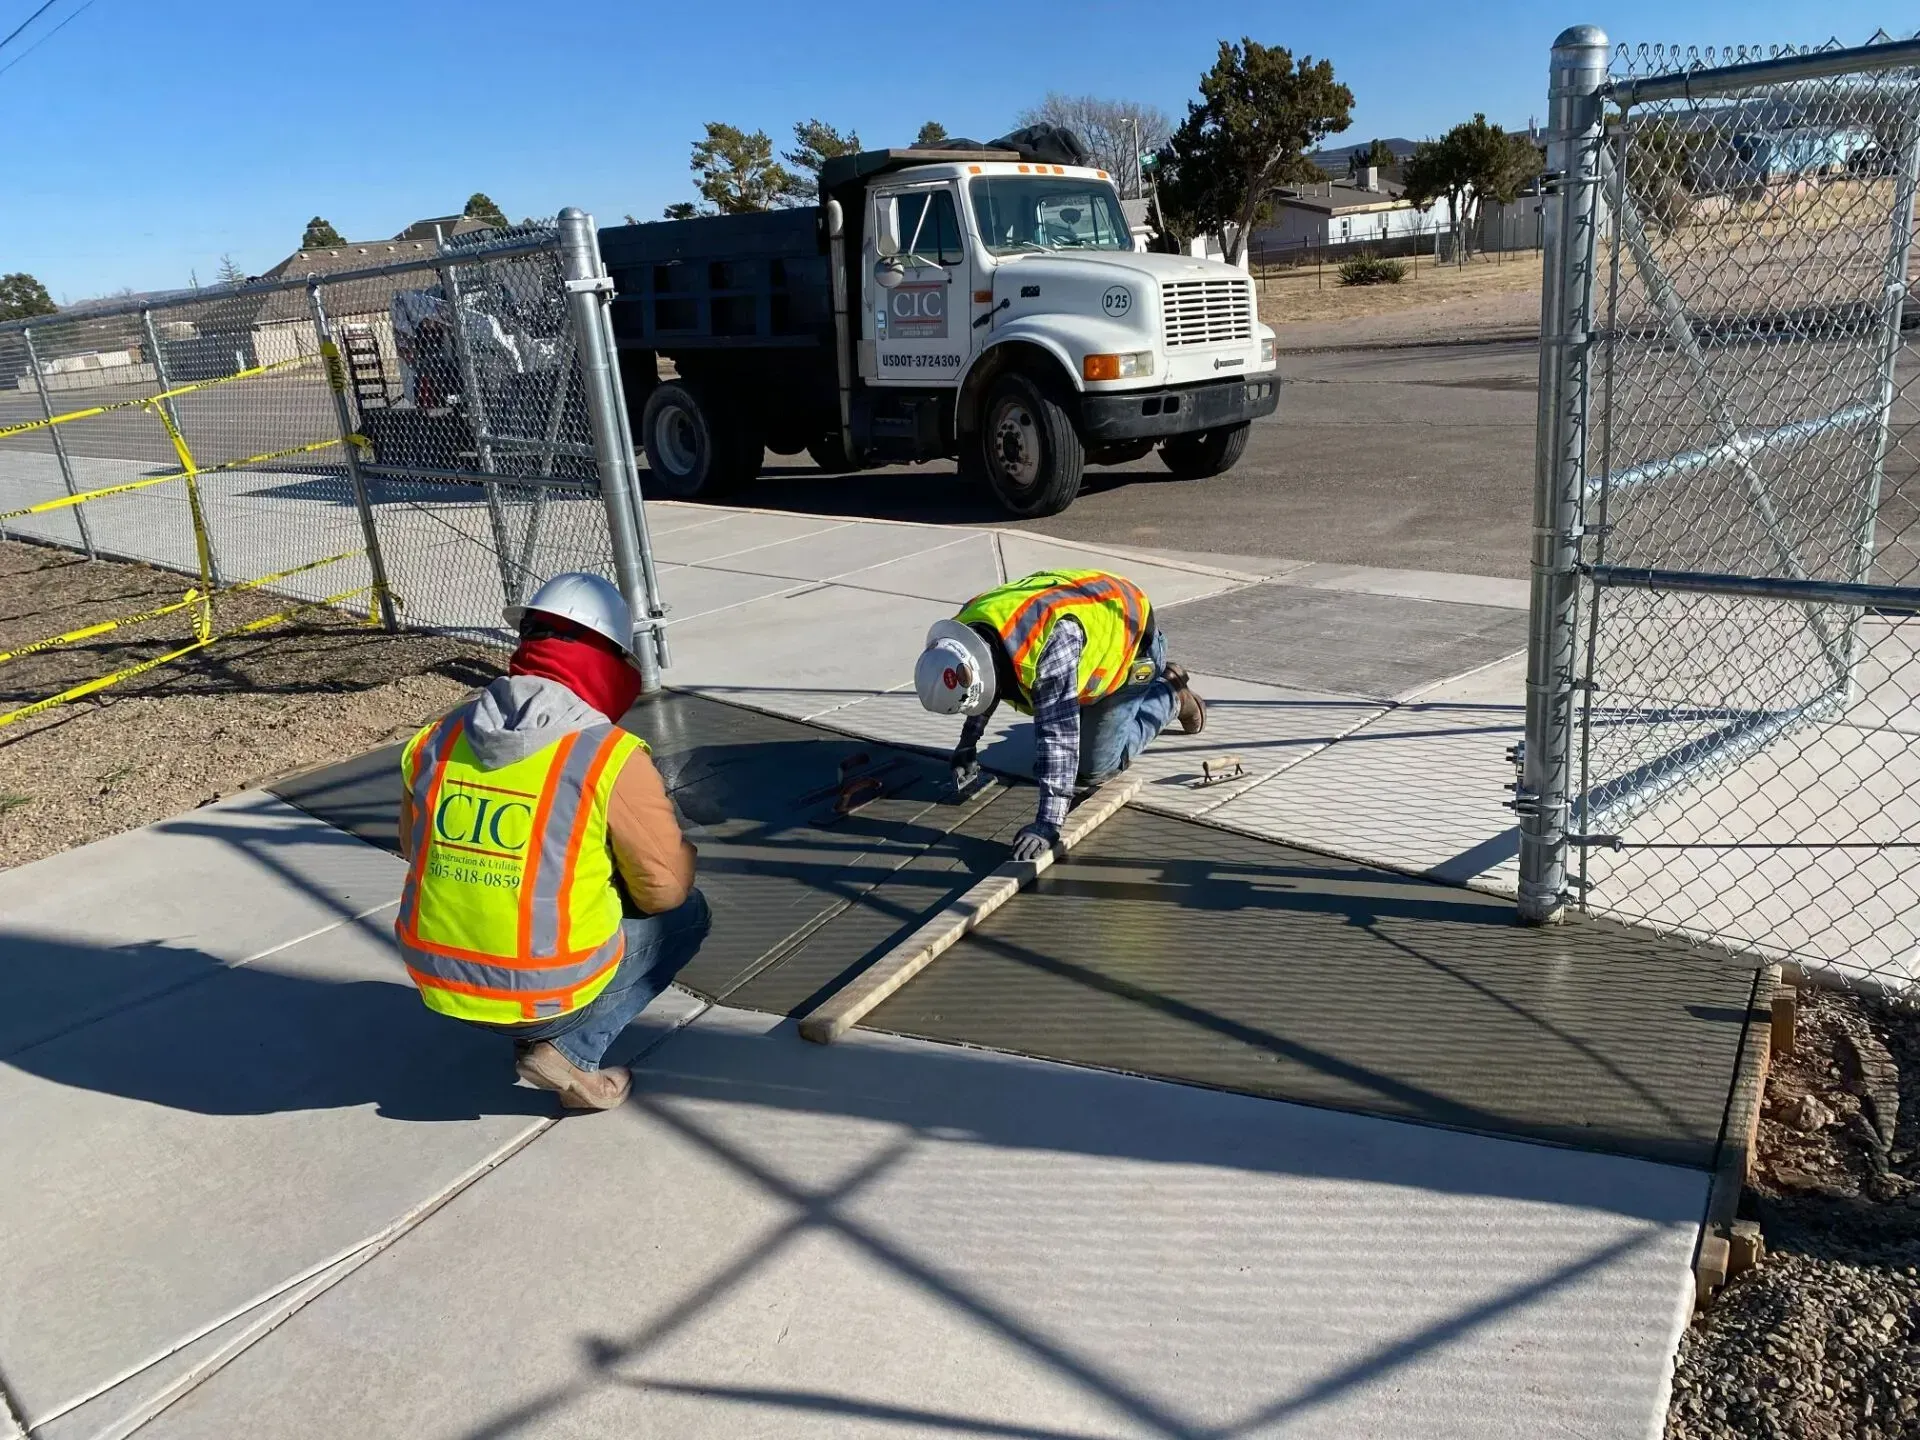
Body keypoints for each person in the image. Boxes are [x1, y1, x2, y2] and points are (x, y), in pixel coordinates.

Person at [393, 572, 708, 1112]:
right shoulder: (606, 755)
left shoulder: (438, 737)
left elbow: (412, 844)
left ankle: (530, 1021)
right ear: (611, 663)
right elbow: (664, 892)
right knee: (688, 915)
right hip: (545, 998)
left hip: (439, 984)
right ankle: (572, 1048)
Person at [914, 569, 1205, 860]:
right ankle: (1092, 708)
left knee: (1092, 770)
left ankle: (1170, 694)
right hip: (1090, 626)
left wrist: (1048, 824)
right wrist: (968, 741)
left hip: (1132, 645)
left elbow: (1059, 735)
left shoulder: (1050, 646)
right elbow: (987, 681)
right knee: (1057, 751)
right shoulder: (964, 633)